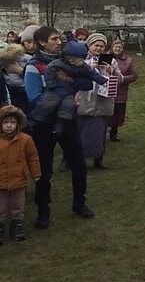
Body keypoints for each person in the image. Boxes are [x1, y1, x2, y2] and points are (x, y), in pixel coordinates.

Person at [24, 26, 95, 227]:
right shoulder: (33, 66)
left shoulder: (68, 63)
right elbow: (35, 98)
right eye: (54, 39)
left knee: (79, 164)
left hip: (68, 121)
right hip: (44, 125)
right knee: (45, 170)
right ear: (42, 42)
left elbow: (83, 82)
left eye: (59, 39)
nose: (59, 42)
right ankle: (43, 211)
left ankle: (79, 203)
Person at [28, 41, 108, 136]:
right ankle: (34, 121)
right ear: (71, 60)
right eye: (81, 59)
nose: (83, 61)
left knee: (68, 107)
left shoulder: (83, 66)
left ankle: (60, 125)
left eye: (84, 58)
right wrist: (51, 84)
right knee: (45, 105)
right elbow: (49, 72)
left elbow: (92, 74)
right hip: (55, 90)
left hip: (69, 92)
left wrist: (101, 80)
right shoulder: (57, 64)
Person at [77, 33, 119, 170]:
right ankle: (77, 159)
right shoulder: (81, 60)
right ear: (89, 46)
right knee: (81, 131)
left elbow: (121, 78)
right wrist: (90, 68)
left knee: (100, 132)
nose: (99, 48)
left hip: (102, 101)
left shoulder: (110, 61)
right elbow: (75, 76)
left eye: (101, 46)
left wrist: (110, 70)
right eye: (96, 45)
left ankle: (98, 159)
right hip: (85, 101)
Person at [0, 105, 41, 243]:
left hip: (19, 179)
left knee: (17, 205)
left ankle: (16, 225)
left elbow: (32, 157)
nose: (9, 126)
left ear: (18, 123)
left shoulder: (26, 139)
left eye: (12, 122)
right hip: (1, 180)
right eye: (5, 123)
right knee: (1, 205)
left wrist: (36, 173)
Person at [109, 39, 138, 142]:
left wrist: (123, 79)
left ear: (122, 49)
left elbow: (134, 75)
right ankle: (101, 132)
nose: (117, 48)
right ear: (112, 47)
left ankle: (114, 133)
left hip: (120, 91)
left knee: (117, 113)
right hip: (106, 90)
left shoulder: (128, 61)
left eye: (120, 47)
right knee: (105, 112)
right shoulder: (105, 57)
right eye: (116, 46)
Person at [1, 42, 32, 112]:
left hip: (27, 93)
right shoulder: (5, 62)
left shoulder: (28, 59)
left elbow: (34, 78)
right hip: (12, 93)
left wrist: (20, 71)